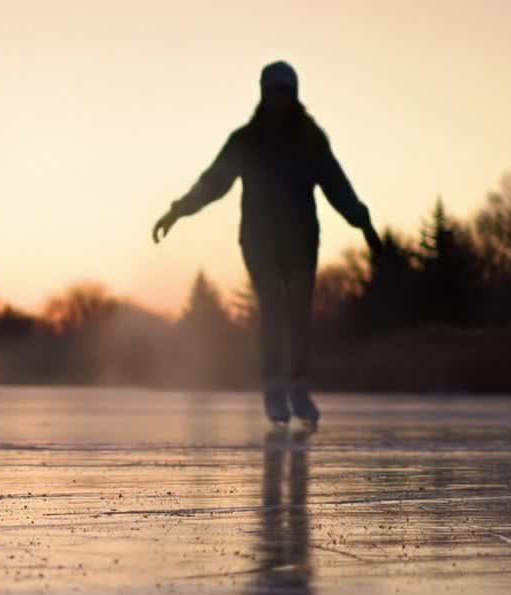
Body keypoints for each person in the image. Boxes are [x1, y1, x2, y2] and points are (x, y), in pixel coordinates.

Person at [153, 61, 381, 427]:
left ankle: (298, 388)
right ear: (263, 94)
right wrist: (178, 211)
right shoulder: (247, 140)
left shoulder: (309, 139)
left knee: (298, 313)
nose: (279, 100)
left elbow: (336, 184)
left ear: (294, 95)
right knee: (274, 309)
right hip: (259, 239)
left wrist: (362, 221)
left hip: (301, 240)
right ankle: (275, 388)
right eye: (273, 92)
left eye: (285, 93)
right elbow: (214, 182)